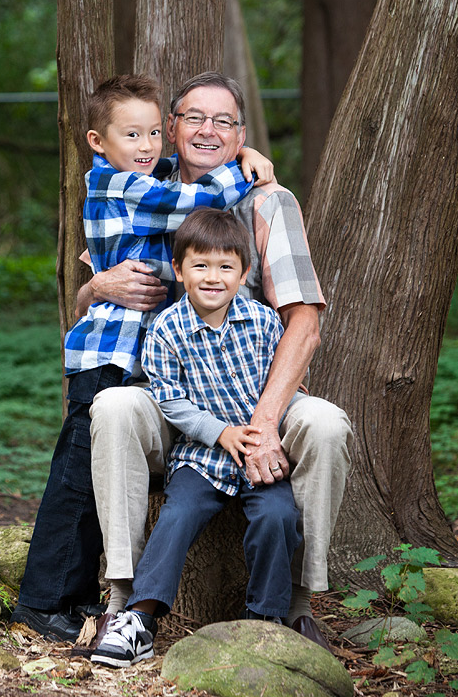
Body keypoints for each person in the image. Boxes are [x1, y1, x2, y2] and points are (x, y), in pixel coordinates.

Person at [87, 72, 352, 651]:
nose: (207, 131)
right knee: (113, 407)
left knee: (327, 424)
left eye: (224, 122)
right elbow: (93, 280)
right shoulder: (139, 184)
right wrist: (95, 286)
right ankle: (121, 604)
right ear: (171, 127)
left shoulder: (268, 200)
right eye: (193, 118)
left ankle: (300, 606)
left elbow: (304, 322)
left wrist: (262, 425)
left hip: (257, 391)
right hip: (176, 392)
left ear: (241, 136)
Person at [10, 74, 273, 641]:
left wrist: (238, 146)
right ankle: (45, 600)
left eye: (155, 132)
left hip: (127, 357)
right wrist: (245, 163)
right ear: (98, 141)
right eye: (134, 134)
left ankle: (72, 597)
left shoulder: (132, 177)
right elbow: (197, 201)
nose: (149, 145)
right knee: (78, 481)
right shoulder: (124, 185)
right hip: (109, 357)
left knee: (88, 475)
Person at [90, 208, 302, 667]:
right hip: (201, 457)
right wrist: (220, 432)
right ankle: (140, 618)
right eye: (200, 265)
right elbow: (170, 398)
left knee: (278, 517)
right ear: (180, 270)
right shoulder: (166, 329)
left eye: (226, 266)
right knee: (177, 514)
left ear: (244, 274)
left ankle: (265, 622)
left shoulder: (265, 323)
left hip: (257, 456)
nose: (213, 277)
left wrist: (262, 434)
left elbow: (281, 385)